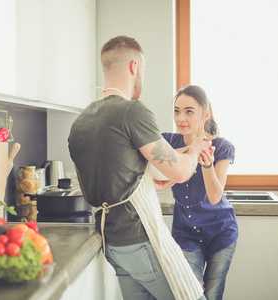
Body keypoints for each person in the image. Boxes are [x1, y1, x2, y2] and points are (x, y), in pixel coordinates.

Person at [68, 35, 211, 300]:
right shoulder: (132, 111)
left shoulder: (80, 121)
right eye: (143, 70)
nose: (142, 76)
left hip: (112, 242)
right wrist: (193, 151)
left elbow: (92, 188)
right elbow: (179, 171)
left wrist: (146, 180)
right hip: (139, 239)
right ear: (134, 67)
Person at [162, 85, 238, 300]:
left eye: (189, 111)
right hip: (185, 233)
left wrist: (207, 165)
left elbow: (215, 197)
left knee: (212, 294)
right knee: (189, 291)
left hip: (220, 232)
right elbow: (149, 160)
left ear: (205, 115)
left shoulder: (222, 147)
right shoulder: (167, 142)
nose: (181, 118)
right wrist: (192, 148)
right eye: (177, 111)